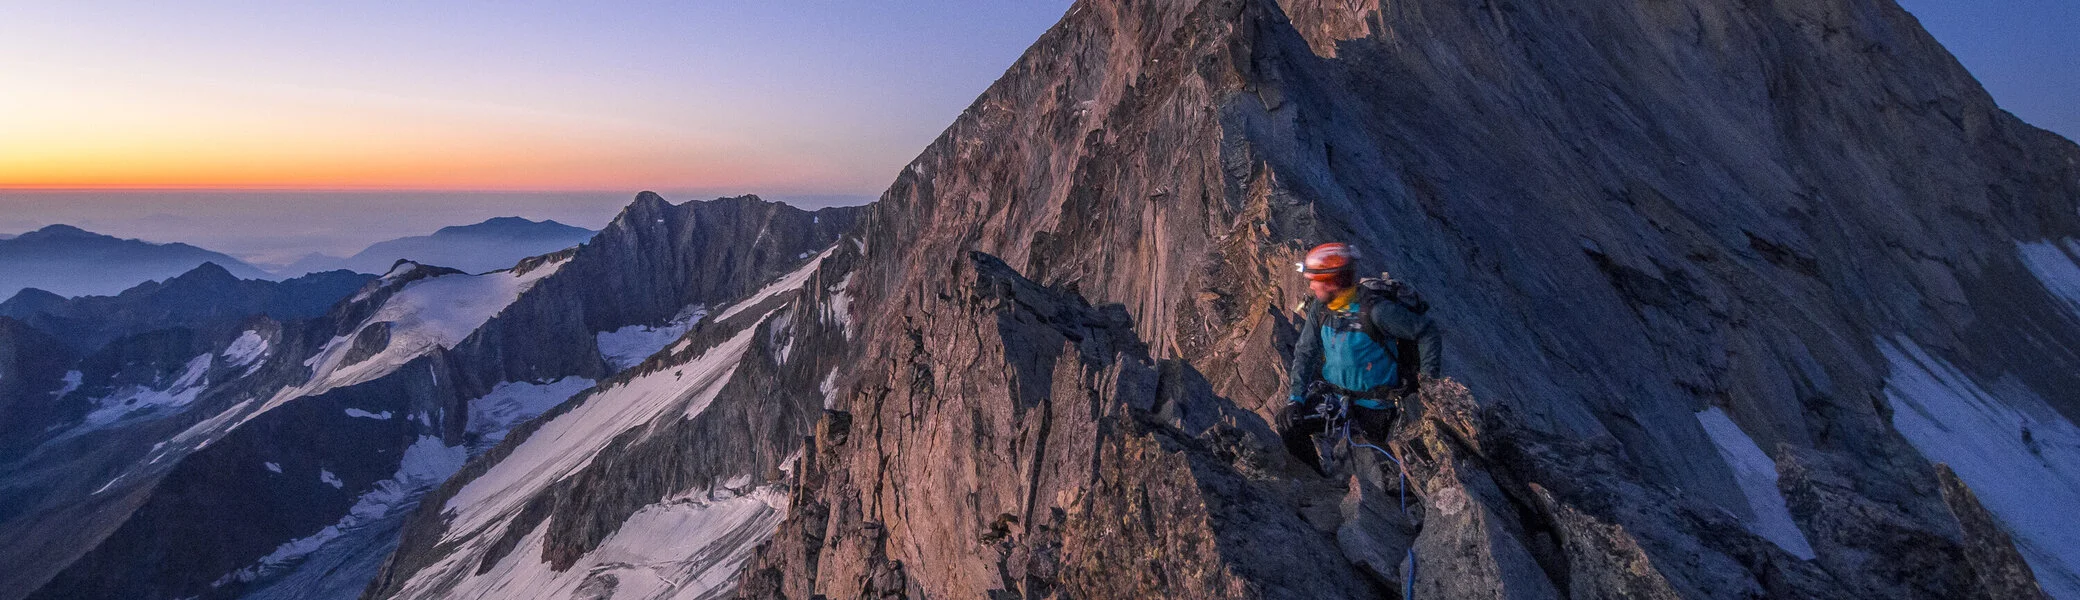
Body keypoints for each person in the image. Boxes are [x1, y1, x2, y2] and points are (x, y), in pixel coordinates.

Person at [1280, 242, 1441, 474]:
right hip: (1336, 400)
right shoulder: (1320, 309)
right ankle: (1319, 482)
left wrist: (1428, 384)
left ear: (1332, 282)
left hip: (1378, 406)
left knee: (1385, 473)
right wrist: (1295, 399)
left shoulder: (1377, 311)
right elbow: (1306, 352)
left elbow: (1427, 331)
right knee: (1288, 424)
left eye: (1316, 280)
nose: (1311, 286)